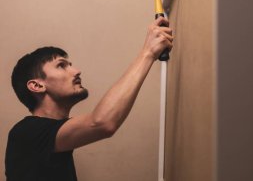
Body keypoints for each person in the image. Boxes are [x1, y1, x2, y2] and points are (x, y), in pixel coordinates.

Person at [5, 17, 173, 181]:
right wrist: (148, 53)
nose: (76, 71)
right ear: (37, 86)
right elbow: (102, 123)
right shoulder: (25, 133)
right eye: (61, 65)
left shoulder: (54, 138)